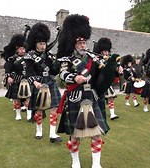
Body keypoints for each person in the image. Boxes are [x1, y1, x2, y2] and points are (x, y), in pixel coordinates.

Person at [56, 14, 118, 168]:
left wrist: (115, 69)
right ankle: (75, 161)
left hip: (92, 98)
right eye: (80, 43)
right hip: (75, 98)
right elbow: (62, 73)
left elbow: (104, 73)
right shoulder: (67, 59)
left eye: (84, 42)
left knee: (96, 133)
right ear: (74, 43)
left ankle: (96, 164)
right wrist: (74, 77)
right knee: (74, 135)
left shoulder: (93, 58)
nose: (83, 45)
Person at [25, 22, 62, 143]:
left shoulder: (49, 56)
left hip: (50, 82)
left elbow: (54, 71)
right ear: (35, 44)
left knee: (54, 108)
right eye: (41, 44)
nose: (43, 46)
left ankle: (52, 134)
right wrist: (35, 83)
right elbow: (29, 73)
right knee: (39, 109)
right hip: (39, 83)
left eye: (44, 43)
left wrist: (57, 64)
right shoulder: (29, 56)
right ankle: (39, 130)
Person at [1, 31, 32, 121]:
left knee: (28, 98)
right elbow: (8, 69)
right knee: (16, 99)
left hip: (27, 81)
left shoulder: (29, 58)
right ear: (17, 49)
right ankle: (18, 114)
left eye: (24, 49)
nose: (22, 50)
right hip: (16, 80)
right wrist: (9, 77)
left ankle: (29, 115)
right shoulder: (12, 59)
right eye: (21, 49)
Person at [93, 37, 121, 120]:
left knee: (111, 98)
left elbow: (114, 74)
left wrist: (117, 70)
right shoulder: (96, 59)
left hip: (107, 83)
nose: (107, 53)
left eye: (107, 51)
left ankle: (112, 114)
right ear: (101, 51)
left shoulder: (110, 60)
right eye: (105, 51)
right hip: (98, 84)